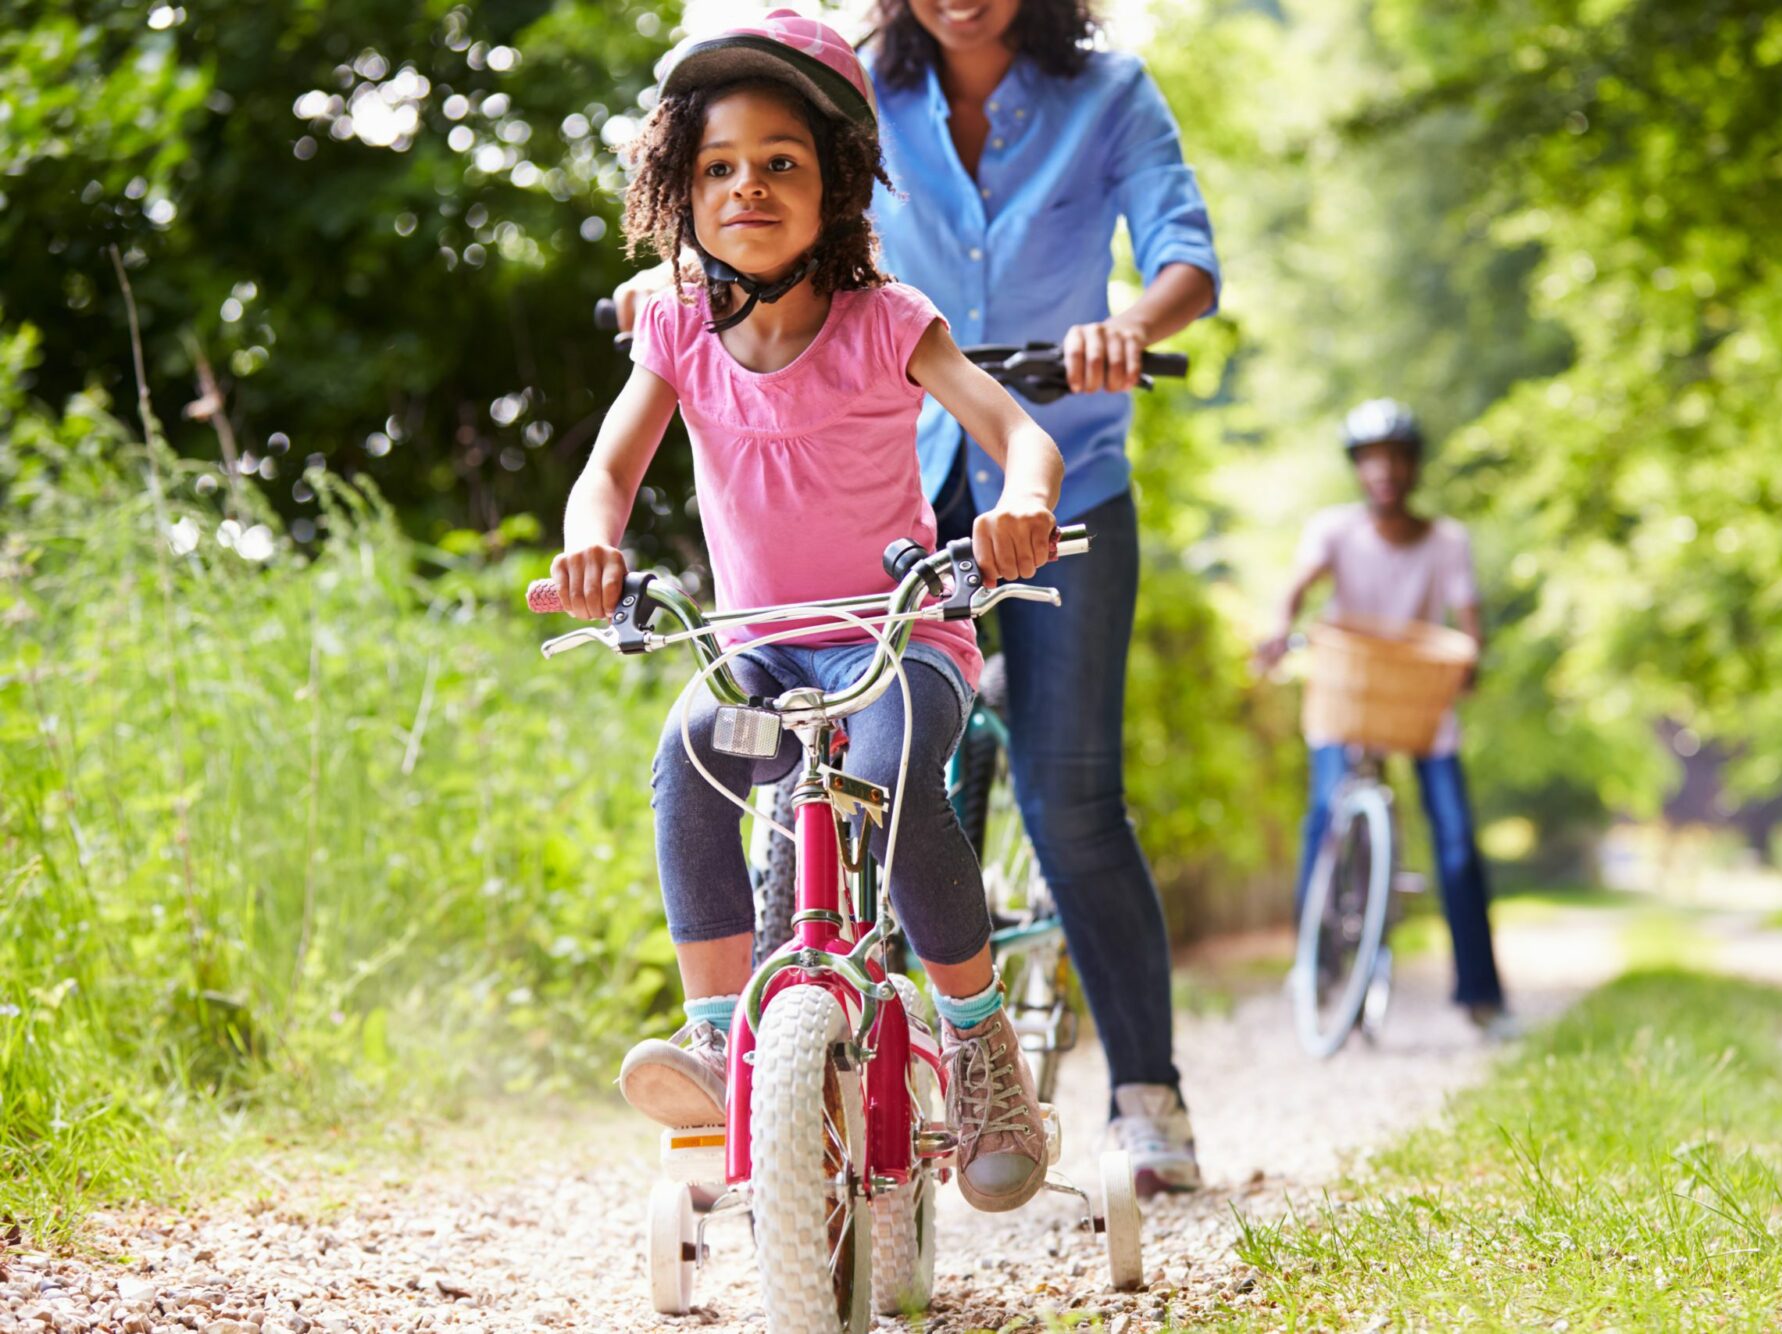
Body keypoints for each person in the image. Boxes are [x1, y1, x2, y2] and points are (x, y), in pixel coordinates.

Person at [614, 0, 1221, 1196]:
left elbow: (1182, 254)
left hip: (1052, 484)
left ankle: (1134, 1089)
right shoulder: (842, 85)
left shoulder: (1106, 94)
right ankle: (790, 1068)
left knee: (1068, 795)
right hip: (884, 484)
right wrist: (666, 285)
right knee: (806, 779)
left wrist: (1124, 325)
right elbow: (731, 198)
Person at [552, 10, 1071, 1213]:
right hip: (756, 647)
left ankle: (980, 1047)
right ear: (678, 188)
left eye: (780, 162)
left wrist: (1020, 506)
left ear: (835, 183)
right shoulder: (676, 327)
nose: (746, 186)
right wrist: (591, 547)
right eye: (718, 167)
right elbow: (608, 473)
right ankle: (720, 1027)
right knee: (687, 762)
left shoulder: (887, 319)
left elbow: (1017, 434)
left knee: (893, 791)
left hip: (897, 631)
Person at [1253, 399, 1511, 1034]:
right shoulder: (1334, 531)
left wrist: (1471, 657)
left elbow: (1467, 615)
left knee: (1455, 845)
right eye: (1372, 461)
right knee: (1324, 814)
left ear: (1414, 469)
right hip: (1351, 695)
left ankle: (1482, 996)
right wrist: (1280, 628)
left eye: (1397, 460)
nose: (1385, 472)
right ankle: (1313, 966)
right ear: (1358, 470)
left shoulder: (1447, 540)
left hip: (1419, 700)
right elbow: (1297, 588)